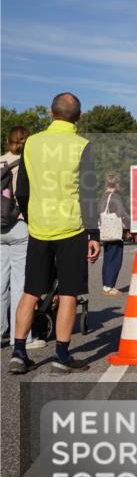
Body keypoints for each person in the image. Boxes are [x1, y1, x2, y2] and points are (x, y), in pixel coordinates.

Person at [9, 92, 101, 374]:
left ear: (51, 113)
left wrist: (31, 214)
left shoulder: (32, 143)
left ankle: (19, 352)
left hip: (39, 227)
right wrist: (93, 233)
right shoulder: (82, 145)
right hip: (70, 228)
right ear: (79, 117)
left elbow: (21, 190)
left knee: (31, 290)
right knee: (70, 292)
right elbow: (87, 193)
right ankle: (61, 354)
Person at [1, 126, 42, 350]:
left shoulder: (0, 161)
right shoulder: (28, 164)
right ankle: (23, 337)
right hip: (19, 224)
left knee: (0, 284)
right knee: (20, 284)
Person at [99, 173, 130, 295]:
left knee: (107, 259)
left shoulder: (103, 197)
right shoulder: (115, 197)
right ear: (116, 184)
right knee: (115, 259)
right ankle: (109, 286)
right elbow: (121, 214)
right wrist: (128, 228)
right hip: (115, 232)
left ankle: (106, 284)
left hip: (106, 231)